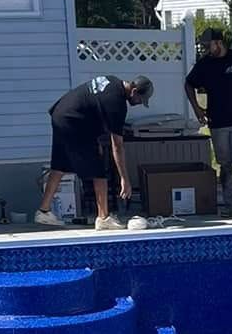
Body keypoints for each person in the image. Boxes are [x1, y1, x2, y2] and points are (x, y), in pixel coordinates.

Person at [35, 74, 154, 230]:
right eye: (140, 99)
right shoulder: (117, 103)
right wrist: (125, 179)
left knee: (60, 165)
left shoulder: (111, 80)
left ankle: (43, 211)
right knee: (99, 171)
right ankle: (103, 217)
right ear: (134, 91)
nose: (139, 103)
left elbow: (91, 105)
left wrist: (95, 140)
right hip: (74, 120)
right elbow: (117, 145)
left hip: (60, 113)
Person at [184, 28, 232, 218]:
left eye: (207, 45)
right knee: (225, 165)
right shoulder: (205, 64)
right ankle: (230, 206)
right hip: (218, 123)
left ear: (218, 42)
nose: (205, 49)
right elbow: (188, 84)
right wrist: (196, 108)